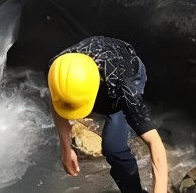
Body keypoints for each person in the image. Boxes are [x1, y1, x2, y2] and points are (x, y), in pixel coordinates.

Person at [48, 36, 168, 193]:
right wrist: (66, 148)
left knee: (114, 147)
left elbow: (155, 143)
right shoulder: (58, 70)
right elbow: (58, 102)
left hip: (128, 72)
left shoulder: (124, 91)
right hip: (100, 70)